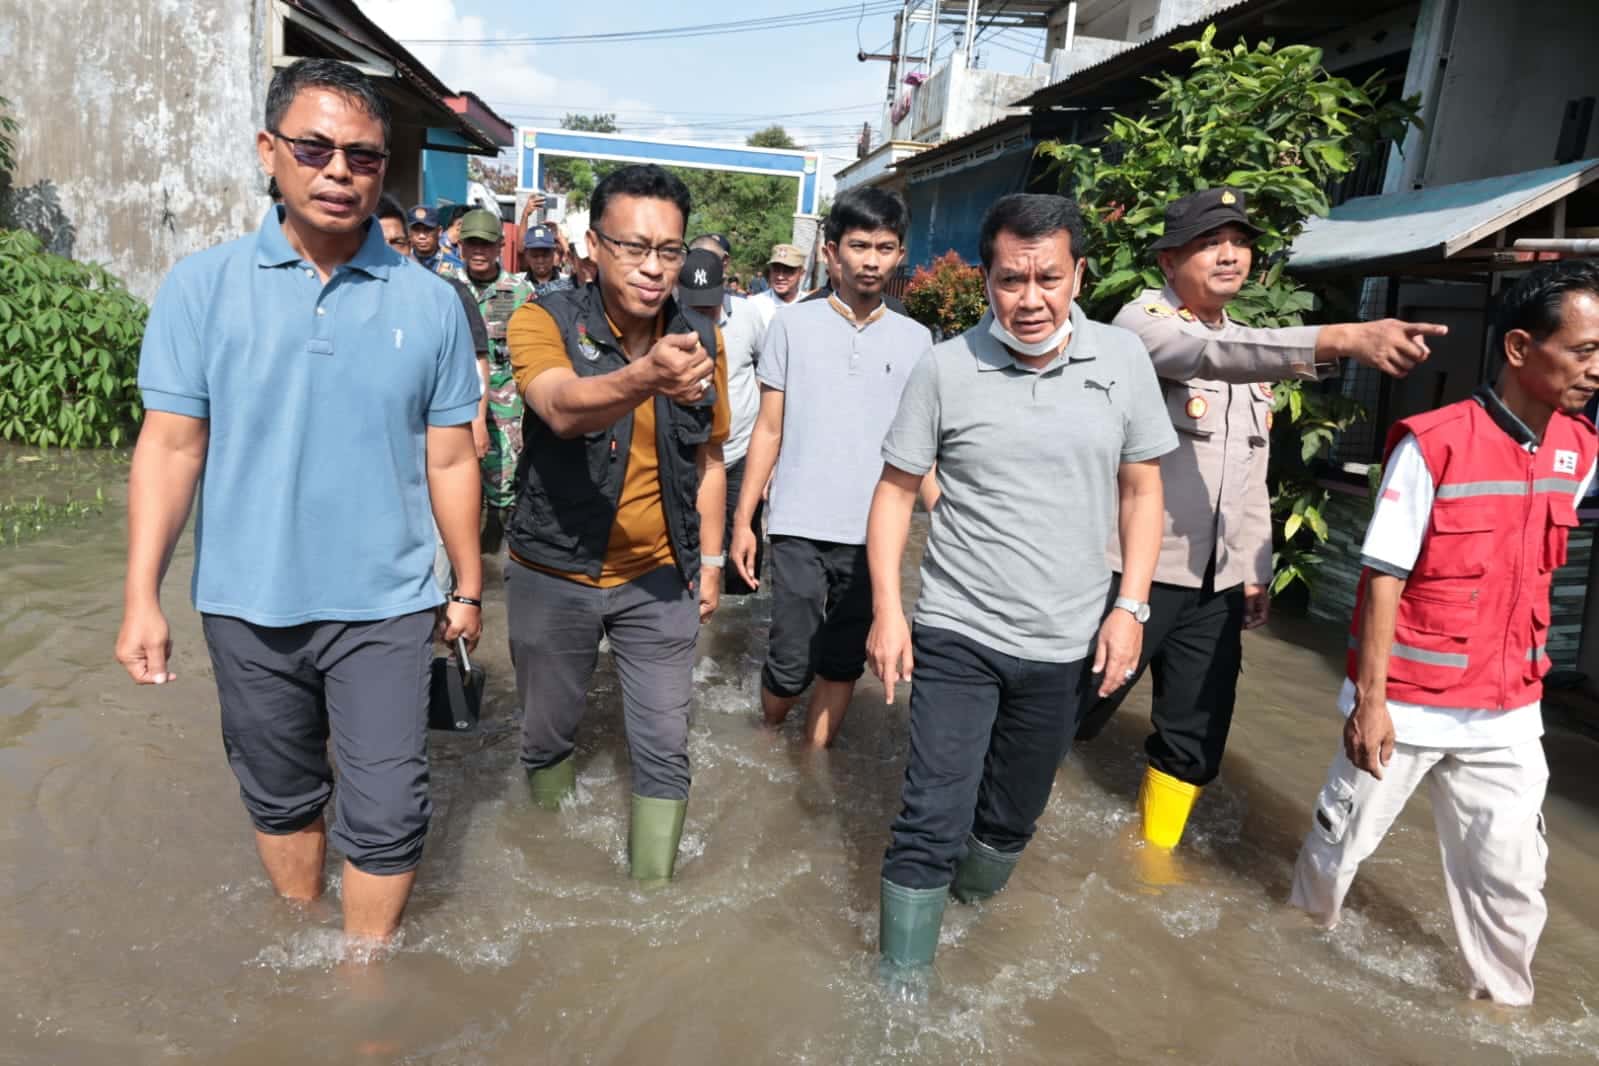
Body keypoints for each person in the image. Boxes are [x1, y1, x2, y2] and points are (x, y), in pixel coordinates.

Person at [114, 59, 484, 945]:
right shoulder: (200, 287)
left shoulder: (431, 303)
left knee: (389, 805)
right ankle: (299, 935)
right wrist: (140, 597)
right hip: (246, 598)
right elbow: (170, 447)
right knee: (280, 793)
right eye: (314, 149)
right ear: (268, 150)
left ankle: (360, 982)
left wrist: (467, 587)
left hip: (387, 603)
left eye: (363, 156)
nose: (338, 172)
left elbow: (449, 458)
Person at [1074, 187, 1449, 855]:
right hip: (1132, 573)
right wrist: (1344, 338)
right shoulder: (1141, 327)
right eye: (1209, 243)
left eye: (1239, 243)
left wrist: (1253, 567)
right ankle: (1004, 828)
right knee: (1072, 706)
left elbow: (1250, 475)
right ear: (1168, 260)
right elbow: (1207, 355)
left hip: (1214, 585)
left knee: (1195, 733)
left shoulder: (1246, 350)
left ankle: (1152, 861)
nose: (1229, 255)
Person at [866, 193, 1176, 979]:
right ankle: (898, 995)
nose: (1029, 299)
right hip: (957, 629)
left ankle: (967, 919)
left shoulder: (1121, 361)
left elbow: (1142, 490)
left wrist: (1130, 608)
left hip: (1065, 640)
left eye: (1048, 278)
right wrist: (888, 612)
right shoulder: (944, 367)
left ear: (1078, 274)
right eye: (1010, 280)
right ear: (986, 279)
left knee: (1009, 821)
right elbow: (895, 493)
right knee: (930, 815)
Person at [1289, 261, 1599, 1006]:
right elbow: (1383, 575)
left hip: (1507, 710)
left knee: (1511, 882)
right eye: (1583, 351)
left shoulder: (1580, 448)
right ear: (1520, 348)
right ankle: (1289, 968)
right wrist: (1370, 702)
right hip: (1406, 703)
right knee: (1337, 855)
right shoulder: (1433, 445)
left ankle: (1502, 1016)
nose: (1596, 369)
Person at [503, 164, 731, 886]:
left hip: (659, 577)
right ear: (593, 247)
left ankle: (650, 901)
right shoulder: (542, 320)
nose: (653, 267)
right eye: (634, 247)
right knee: (546, 734)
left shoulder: (702, 338)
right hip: (553, 568)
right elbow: (559, 407)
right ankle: (546, 868)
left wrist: (712, 563)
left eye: (669, 250)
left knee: (664, 744)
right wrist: (645, 377)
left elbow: (709, 456)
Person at [730, 187, 933, 749]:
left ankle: (809, 766)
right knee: (791, 659)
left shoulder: (918, 341)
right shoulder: (791, 326)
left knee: (843, 661)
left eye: (885, 248)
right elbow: (768, 429)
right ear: (831, 252)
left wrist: (949, 517)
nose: (871, 261)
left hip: (873, 536)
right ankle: (768, 740)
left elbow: (923, 451)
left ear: (900, 255)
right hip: (797, 525)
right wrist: (744, 520)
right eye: (859, 246)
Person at [680, 246, 769, 597]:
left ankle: (739, 614)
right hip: (688, 456)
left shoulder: (748, 316)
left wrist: (769, 458)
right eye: (694, 307)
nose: (703, 316)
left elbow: (768, 376)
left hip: (740, 453)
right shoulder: (666, 321)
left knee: (741, 543)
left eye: (709, 307)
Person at [456, 207, 537, 555]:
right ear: (460, 245)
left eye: (486, 244)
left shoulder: (517, 291)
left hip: (506, 410)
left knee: (505, 488)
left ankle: (496, 557)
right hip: (453, 404)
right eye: (472, 243)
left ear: (500, 247)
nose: (479, 251)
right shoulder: (445, 287)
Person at [750, 243, 807, 328]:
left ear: (801, 273)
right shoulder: (755, 305)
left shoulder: (810, 304)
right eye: (776, 270)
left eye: (788, 271)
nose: (780, 277)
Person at [522, 223, 574, 299]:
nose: (540, 260)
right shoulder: (516, 283)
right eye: (535, 255)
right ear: (527, 255)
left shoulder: (568, 284)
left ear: (553, 253)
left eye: (545, 255)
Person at [409, 204, 463, 277]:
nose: (422, 236)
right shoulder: (402, 261)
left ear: (439, 231)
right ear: (409, 232)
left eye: (428, 229)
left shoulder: (455, 266)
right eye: (416, 230)